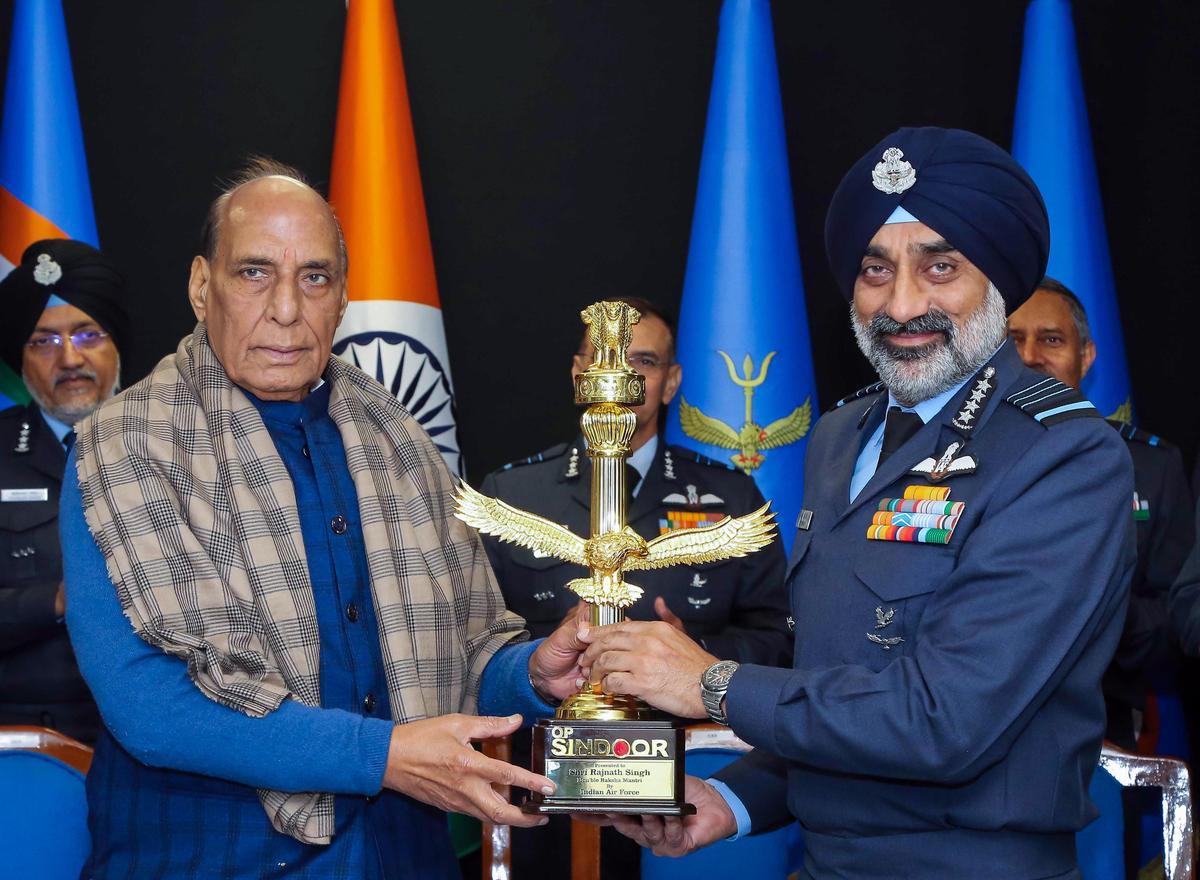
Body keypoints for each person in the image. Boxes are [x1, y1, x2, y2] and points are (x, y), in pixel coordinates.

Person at [577, 128, 1135, 879]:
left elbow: (947, 720)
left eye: (940, 267)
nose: (902, 304)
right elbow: (842, 683)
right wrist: (735, 800)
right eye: (876, 270)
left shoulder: (1063, 455)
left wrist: (712, 682)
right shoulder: (842, 435)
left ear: (998, 283)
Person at [59, 158, 588, 879]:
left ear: (342, 299)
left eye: (314, 277)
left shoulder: (398, 438)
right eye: (254, 273)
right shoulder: (122, 445)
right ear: (201, 287)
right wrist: (382, 756)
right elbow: (151, 707)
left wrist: (534, 676)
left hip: (404, 856)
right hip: (210, 858)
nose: (286, 308)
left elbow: (463, 655)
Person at [479, 295, 790, 878]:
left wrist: (693, 656)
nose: (623, 375)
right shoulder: (513, 494)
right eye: (605, 360)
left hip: (691, 791)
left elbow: (782, 639)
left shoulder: (730, 497)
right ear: (579, 374)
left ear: (670, 382)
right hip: (545, 787)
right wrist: (545, 659)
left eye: (644, 362)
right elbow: (474, 643)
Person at [1009, 278, 1194, 749]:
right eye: (1012, 340)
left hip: (1103, 728)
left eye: (1051, 339)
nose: (1030, 356)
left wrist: (1092, 607)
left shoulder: (1150, 466)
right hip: (965, 724)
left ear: (1086, 357)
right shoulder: (941, 463)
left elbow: (1181, 617)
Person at [0, 239, 128, 744]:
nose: (70, 358)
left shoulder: (179, 442)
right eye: (44, 342)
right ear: (20, 361)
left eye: (88, 334)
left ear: (118, 344)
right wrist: (55, 601)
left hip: (163, 735)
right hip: (25, 739)